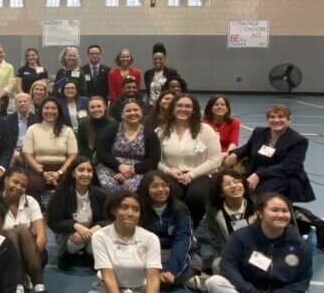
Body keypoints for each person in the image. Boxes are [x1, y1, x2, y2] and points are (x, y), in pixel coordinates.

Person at [80, 193, 194, 293]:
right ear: (114, 210)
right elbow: (108, 277)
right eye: (124, 207)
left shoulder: (150, 238)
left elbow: (153, 278)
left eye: (136, 209)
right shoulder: (100, 236)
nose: (130, 213)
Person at [206, 193, 324, 293]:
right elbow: (228, 268)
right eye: (274, 210)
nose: (281, 215)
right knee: (214, 282)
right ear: (260, 213)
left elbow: (301, 282)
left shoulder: (298, 244)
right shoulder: (241, 236)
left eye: (285, 210)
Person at [224, 104, 314, 203]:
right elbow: (248, 147)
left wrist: (259, 175)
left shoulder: (298, 141)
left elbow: (288, 167)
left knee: (257, 198)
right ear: (268, 119)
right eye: (272, 117)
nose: (276, 120)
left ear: (289, 119)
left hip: (281, 177)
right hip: (255, 173)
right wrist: (235, 154)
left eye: (280, 117)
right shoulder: (260, 132)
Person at [157, 93, 221, 226]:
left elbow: (216, 159)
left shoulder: (206, 130)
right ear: (173, 108)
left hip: (200, 174)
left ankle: (191, 226)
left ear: (194, 110)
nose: (183, 109)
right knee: (170, 193)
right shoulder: (162, 131)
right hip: (172, 174)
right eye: (179, 105)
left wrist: (192, 175)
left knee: (197, 195)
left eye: (188, 106)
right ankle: (174, 225)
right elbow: (155, 160)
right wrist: (169, 171)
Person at [1, 168, 52, 293]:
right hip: (5, 257)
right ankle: (19, 292)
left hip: (32, 255)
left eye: (23, 185)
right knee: (11, 232)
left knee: (24, 231)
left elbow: (42, 236)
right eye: (15, 182)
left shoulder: (31, 202)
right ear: (6, 181)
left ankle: (39, 290)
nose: (18, 187)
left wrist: (27, 257)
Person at [137, 171, 199, 290]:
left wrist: (171, 270)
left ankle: (155, 280)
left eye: (165, 185)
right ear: (146, 189)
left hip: (172, 252)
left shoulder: (180, 208)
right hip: (149, 254)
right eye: (155, 186)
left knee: (196, 260)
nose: (161, 189)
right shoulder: (139, 208)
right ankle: (178, 280)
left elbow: (183, 240)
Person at [47, 157, 108, 269]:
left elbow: (110, 219)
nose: (85, 174)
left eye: (89, 171)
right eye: (81, 170)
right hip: (69, 234)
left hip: (92, 232)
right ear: (73, 174)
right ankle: (68, 255)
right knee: (77, 237)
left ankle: (90, 255)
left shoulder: (100, 194)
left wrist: (98, 226)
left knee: (96, 236)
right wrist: (75, 225)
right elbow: (52, 221)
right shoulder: (61, 193)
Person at [96, 99, 160, 196]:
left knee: (132, 189)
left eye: (135, 110)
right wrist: (119, 166)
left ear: (141, 112)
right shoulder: (112, 128)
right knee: (107, 186)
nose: (132, 113)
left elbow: (153, 159)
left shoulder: (149, 133)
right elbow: (102, 152)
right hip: (111, 168)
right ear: (122, 114)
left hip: (138, 171)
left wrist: (132, 170)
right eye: (128, 111)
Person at [22, 97, 78, 196]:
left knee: (68, 186)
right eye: (46, 108)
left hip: (62, 168)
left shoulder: (67, 130)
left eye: (53, 108)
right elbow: (27, 154)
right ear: (41, 110)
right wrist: (42, 173)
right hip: (38, 168)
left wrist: (59, 173)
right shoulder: (32, 129)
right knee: (33, 185)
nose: (50, 111)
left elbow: (73, 155)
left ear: (59, 111)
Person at [203, 169, 253, 274]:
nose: (234, 186)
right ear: (221, 192)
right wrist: (233, 254)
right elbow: (215, 240)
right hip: (229, 254)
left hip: (256, 254)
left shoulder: (257, 207)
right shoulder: (214, 212)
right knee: (217, 265)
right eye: (227, 184)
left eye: (237, 181)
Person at [10, 92, 38, 165]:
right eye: (19, 102)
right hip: (13, 151)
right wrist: (14, 152)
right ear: (16, 104)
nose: (22, 103)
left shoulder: (37, 119)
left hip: (32, 151)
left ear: (30, 103)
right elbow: (6, 140)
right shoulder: (7, 120)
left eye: (25, 101)